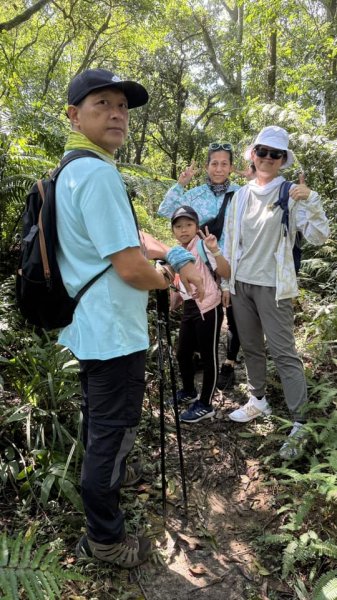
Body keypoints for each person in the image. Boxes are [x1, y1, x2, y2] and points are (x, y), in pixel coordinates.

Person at [55, 68, 204, 569]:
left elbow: (126, 237)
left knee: (101, 423)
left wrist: (170, 255)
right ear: (75, 116)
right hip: (114, 333)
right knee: (110, 432)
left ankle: (112, 477)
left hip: (89, 327)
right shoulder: (97, 173)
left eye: (122, 106)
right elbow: (130, 266)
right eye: (103, 104)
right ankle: (105, 540)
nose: (117, 113)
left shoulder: (72, 169)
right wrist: (169, 279)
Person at [223, 126, 330, 458]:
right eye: (263, 152)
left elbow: (318, 237)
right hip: (242, 284)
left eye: (276, 154)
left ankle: (299, 422)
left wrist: (311, 200)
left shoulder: (291, 193)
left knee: (284, 352)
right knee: (252, 347)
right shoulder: (240, 195)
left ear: (283, 160)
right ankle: (258, 400)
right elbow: (230, 241)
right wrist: (227, 284)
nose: (268, 158)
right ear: (253, 154)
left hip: (275, 285)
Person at [158, 143, 241, 390]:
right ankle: (198, 358)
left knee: (234, 316)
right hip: (201, 265)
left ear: (231, 167)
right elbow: (165, 211)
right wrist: (181, 183)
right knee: (200, 310)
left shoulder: (241, 195)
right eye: (214, 163)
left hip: (230, 264)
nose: (218, 168)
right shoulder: (195, 195)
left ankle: (228, 364)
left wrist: (226, 281)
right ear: (206, 166)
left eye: (224, 163)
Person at [169, 206, 230, 423]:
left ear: (196, 227)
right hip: (190, 308)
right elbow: (179, 282)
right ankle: (188, 391)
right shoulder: (177, 251)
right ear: (173, 230)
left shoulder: (203, 246)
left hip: (209, 307)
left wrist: (215, 250)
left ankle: (205, 404)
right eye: (178, 226)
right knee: (183, 354)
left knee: (208, 357)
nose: (183, 230)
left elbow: (225, 272)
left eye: (188, 225)